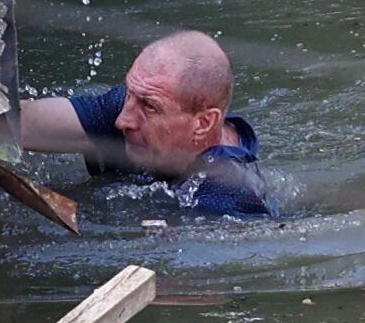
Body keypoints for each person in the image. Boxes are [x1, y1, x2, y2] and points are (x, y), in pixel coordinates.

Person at [14, 29, 271, 218]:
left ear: (204, 123)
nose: (122, 120)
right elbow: (17, 124)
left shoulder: (229, 196)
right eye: (129, 93)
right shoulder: (132, 106)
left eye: (150, 106)